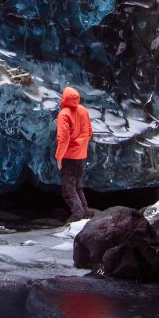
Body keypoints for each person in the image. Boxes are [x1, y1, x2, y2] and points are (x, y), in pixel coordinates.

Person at [56, 86, 93, 221]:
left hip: (69, 156)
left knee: (68, 188)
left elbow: (64, 138)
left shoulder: (64, 114)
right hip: (80, 154)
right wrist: (81, 147)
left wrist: (59, 157)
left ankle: (78, 213)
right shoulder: (83, 110)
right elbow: (89, 131)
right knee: (78, 187)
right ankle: (85, 212)